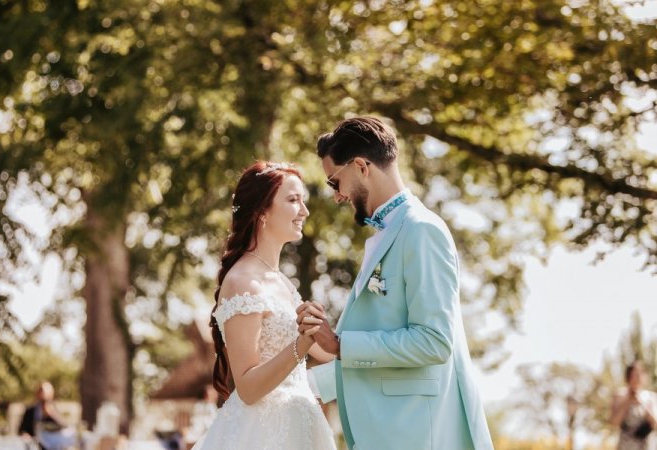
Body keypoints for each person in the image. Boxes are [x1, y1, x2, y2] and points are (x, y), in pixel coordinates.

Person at [297, 116, 494, 449]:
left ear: (361, 166)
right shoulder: (388, 233)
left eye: (335, 182)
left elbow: (433, 341)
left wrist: (341, 344)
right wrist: (303, 388)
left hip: (417, 434)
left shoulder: (421, 230)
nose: (337, 196)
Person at [192, 161, 336, 450]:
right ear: (262, 212)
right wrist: (302, 343)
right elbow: (247, 388)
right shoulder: (242, 281)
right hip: (261, 435)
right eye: (293, 200)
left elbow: (327, 351)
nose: (304, 211)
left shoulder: (283, 282)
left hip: (302, 427)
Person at [611, 361, 657, 450]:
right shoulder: (620, 395)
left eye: (641, 373)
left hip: (646, 445)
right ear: (628, 376)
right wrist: (628, 401)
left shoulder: (651, 397)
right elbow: (613, 422)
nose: (638, 377)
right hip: (626, 445)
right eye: (635, 374)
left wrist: (644, 405)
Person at [19, 381, 76, 450]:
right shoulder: (30, 411)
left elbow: (64, 426)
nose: (43, 395)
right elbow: (22, 430)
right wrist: (26, 436)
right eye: (41, 391)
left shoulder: (54, 409)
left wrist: (51, 414)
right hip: (34, 445)